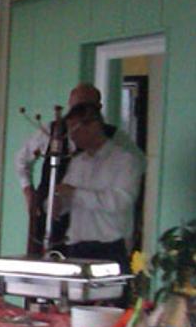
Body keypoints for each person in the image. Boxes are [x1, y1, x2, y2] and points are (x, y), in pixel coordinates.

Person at [14, 83, 137, 213]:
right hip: (49, 211)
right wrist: (28, 191)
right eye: (76, 109)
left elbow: (137, 163)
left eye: (86, 110)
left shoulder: (114, 137)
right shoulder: (51, 131)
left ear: (98, 109)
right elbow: (21, 159)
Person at [51, 100, 144, 266]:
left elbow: (120, 202)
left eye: (75, 129)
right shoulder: (77, 162)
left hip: (110, 247)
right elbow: (68, 200)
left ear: (94, 126)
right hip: (76, 245)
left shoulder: (124, 160)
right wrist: (58, 204)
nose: (71, 136)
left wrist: (74, 193)